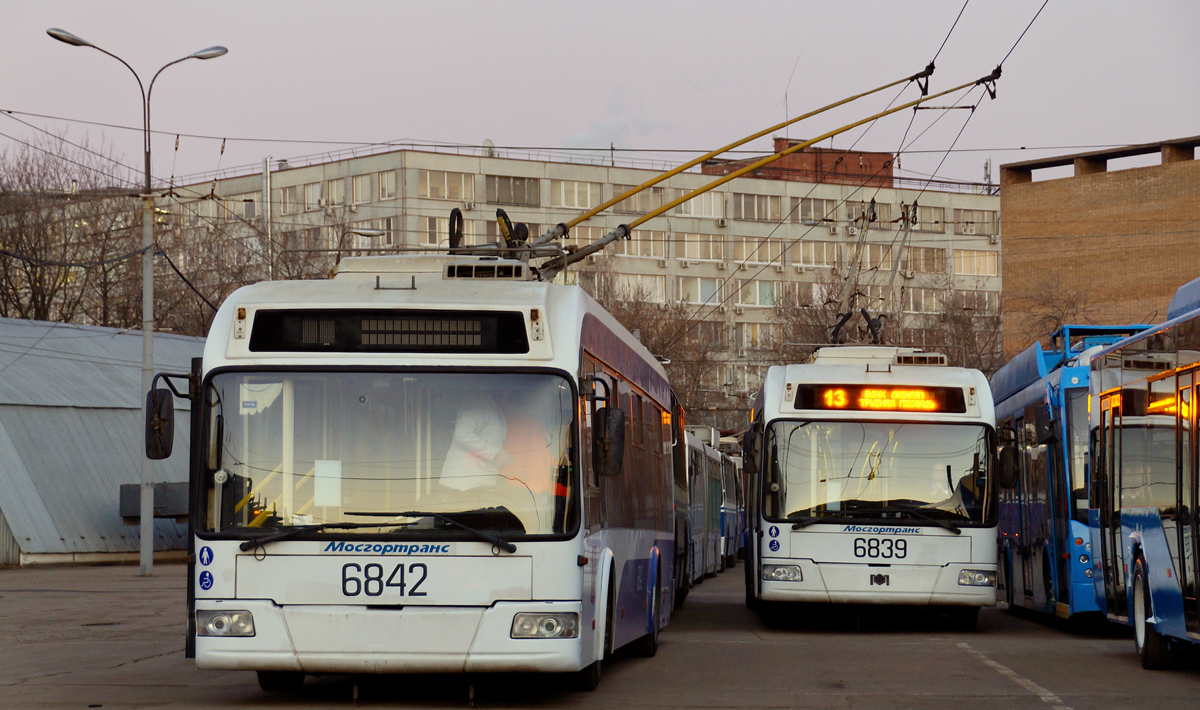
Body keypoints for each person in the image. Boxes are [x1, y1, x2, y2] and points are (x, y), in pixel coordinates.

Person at [440, 396, 514, 491]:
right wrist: (495, 453)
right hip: (462, 486)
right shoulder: (478, 405)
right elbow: (462, 434)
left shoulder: (491, 407)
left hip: (476, 484)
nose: (508, 393)